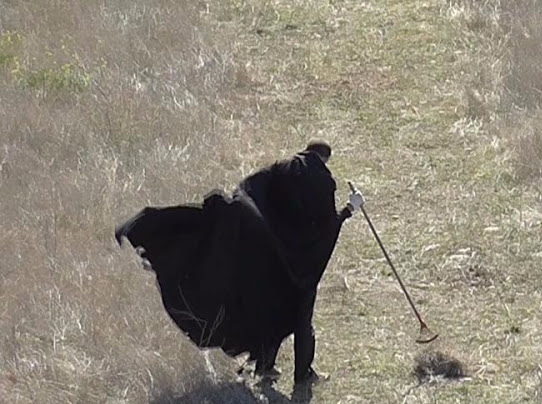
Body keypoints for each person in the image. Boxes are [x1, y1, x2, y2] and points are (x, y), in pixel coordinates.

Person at [115, 140, 364, 387]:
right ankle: (303, 375)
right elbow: (326, 230)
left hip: (267, 258)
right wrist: (350, 209)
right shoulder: (322, 183)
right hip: (298, 267)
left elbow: (247, 190)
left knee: (270, 312)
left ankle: (265, 368)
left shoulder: (281, 168)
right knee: (300, 317)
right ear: (325, 159)